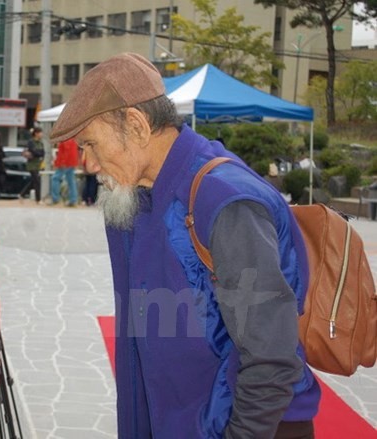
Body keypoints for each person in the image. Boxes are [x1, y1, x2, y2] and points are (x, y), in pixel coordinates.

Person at [50, 53, 320, 439]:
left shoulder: (225, 199)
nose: (88, 164)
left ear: (137, 126)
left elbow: (271, 358)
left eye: (90, 144)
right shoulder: (137, 198)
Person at [50, 138, 79, 206]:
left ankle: (55, 199)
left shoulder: (65, 138)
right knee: (71, 181)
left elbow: (66, 151)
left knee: (55, 178)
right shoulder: (72, 138)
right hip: (71, 162)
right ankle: (73, 200)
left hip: (66, 162)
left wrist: (61, 163)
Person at [21, 127, 45, 203]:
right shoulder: (31, 142)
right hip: (31, 165)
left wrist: (37, 153)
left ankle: (22, 194)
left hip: (38, 165)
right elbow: (34, 152)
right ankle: (38, 199)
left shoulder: (41, 143)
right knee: (37, 181)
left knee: (34, 181)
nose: (41, 134)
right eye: (40, 132)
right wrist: (37, 153)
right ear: (36, 133)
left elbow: (42, 153)